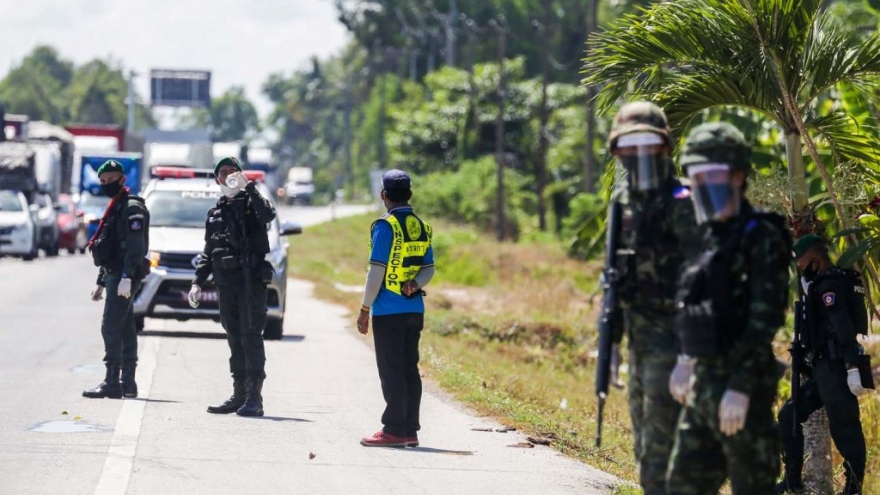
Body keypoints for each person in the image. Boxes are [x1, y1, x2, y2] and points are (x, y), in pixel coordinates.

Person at [666, 122, 790, 494]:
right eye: (694, 178)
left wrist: (740, 385)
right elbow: (695, 302)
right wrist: (685, 359)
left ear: (738, 176)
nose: (701, 186)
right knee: (682, 484)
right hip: (702, 388)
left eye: (711, 176)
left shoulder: (761, 235)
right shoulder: (706, 236)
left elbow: (764, 320)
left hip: (743, 395)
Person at [603, 101, 700, 494]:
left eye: (647, 144)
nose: (638, 155)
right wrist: (610, 344)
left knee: (663, 462)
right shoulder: (624, 204)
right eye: (629, 145)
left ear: (664, 147)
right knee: (646, 452)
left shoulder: (684, 203)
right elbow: (616, 278)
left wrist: (690, 356)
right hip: (640, 347)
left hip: (677, 344)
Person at [775, 234, 868, 495]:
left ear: (814, 258)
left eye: (802, 263)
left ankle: (854, 487)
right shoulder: (818, 286)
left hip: (838, 367)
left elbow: (843, 326)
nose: (801, 269)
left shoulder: (830, 286)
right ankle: (792, 481)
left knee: (845, 427)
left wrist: (851, 367)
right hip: (822, 369)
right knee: (788, 417)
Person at [189, 157, 277, 417]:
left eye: (232, 172)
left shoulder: (252, 204)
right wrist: (197, 282)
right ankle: (239, 394)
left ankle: (254, 397)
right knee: (233, 336)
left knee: (251, 336)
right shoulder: (215, 213)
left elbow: (268, 214)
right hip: (226, 284)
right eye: (223, 173)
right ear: (216, 179)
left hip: (250, 281)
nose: (228, 176)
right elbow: (208, 252)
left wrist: (249, 187)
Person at [357, 169, 434, 448]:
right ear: (410, 195)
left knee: (391, 370)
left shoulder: (385, 226)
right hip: (415, 310)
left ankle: (393, 430)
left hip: (389, 311)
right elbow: (429, 269)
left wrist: (365, 308)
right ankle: (409, 429)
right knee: (408, 369)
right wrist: (415, 283)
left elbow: (376, 271)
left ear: (384, 195)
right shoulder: (421, 226)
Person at [83, 159, 150, 399]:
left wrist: (126, 277)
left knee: (110, 325)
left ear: (123, 180)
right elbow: (110, 246)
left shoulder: (132, 208)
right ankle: (128, 382)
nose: (107, 184)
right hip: (115, 273)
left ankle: (112, 381)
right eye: (103, 181)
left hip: (125, 275)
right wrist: (102, 281)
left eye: (111, 180)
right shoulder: (116, 207)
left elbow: (135, 247)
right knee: (125, 326)